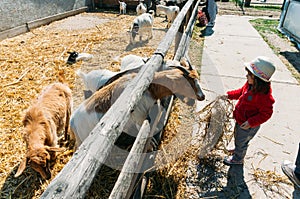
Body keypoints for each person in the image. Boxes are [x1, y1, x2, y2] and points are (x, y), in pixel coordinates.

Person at [222, 56, 276, 165]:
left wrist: (251, 122)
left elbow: (266, 114)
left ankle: (238, 158)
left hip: (248, 125)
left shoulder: (265, 98)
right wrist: (229, 95)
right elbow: (240, 92)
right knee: (238, 137)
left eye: (249, 74)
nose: (246, 76)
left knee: (242, 141)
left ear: (257, 79)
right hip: (241, 120)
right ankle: (238, 149)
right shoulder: (249, 85)